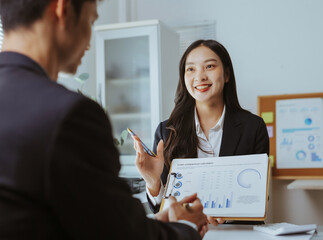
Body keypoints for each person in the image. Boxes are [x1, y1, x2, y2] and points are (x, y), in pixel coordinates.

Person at [0, 0, 208, 239]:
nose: (89, 43)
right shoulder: (70, 115)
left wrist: (155, 222)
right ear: (63, 9)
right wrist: (187, 227)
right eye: (90, 21)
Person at [132, 39, 270, 218]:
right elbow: (161, 211)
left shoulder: (254, 127)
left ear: (227, 74)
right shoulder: (167, 131)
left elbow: (258, 198)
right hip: (186, 233)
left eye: (210, 66)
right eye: (191, 69)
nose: (200, 76)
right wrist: (152, 181)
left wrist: (231, 213)